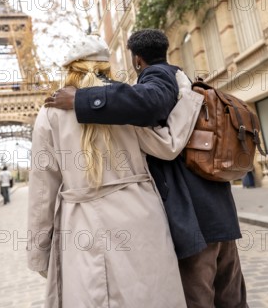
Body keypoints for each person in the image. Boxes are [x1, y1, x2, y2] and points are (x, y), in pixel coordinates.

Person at [45, 29, 248, 308]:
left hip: (194, 220)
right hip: (216, 213)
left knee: (200, 299)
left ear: (137, 60)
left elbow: (149, 103)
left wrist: (81, 99)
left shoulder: (159, 77)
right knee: (231, 299)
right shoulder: (183, 80)